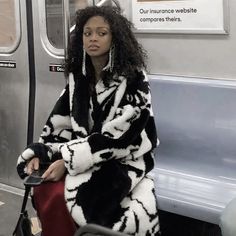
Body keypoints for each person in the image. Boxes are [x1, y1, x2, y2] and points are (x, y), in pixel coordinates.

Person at [17, 5, 160, 236]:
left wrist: (67, 160)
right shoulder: (78, 79)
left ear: (115, 38)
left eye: (101, 33)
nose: (93, 38)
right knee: (45, 187)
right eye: (87, 33)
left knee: (84, 196)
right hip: (84, 155)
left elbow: (120, 139)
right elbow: (59, 125)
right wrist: (42, 153)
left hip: (124, 158)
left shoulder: (134, 79)